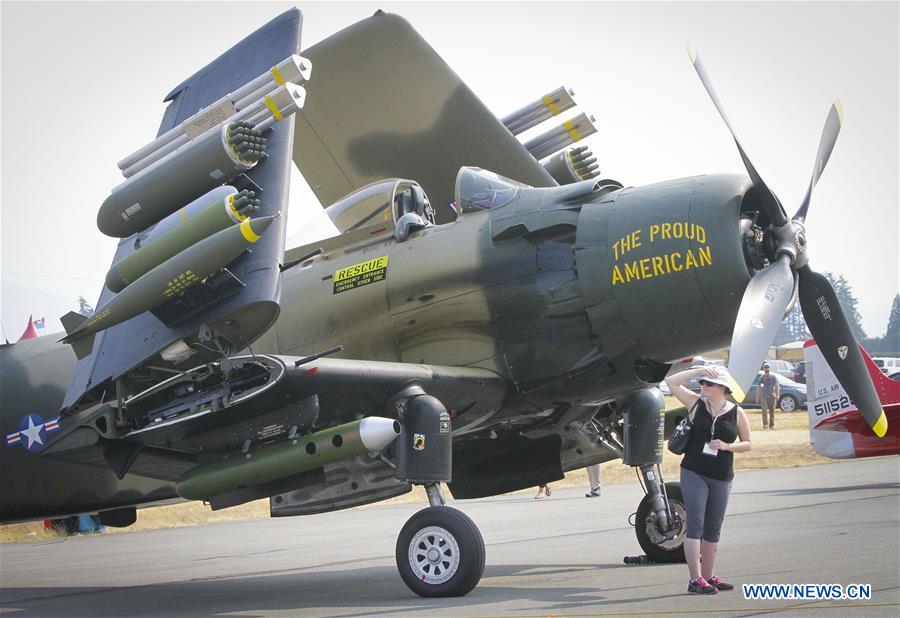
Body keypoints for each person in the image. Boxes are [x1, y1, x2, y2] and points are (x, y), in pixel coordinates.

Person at [666, 365, 752, 595]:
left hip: (722, 476)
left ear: (723, 388)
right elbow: (672, 382)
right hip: (694, 471)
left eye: (709, 384)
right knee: (695, 524)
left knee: (713, 527)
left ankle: (708, 576)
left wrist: (727, 446)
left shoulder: (737, 412)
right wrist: (699, 370)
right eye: (703, 383)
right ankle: (694, 579)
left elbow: (748, 443)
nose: (704, 386)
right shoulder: (696, 404)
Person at [757, 363, 780, 430]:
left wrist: (777, 394)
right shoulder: (762, 377)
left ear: (769, 368)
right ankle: (765, 425)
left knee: (772, 411)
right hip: (764, 396)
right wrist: (758, 395)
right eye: (765, 367)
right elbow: (758, 386)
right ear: (764, 368)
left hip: (772, 396)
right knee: (764, 410)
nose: (766, 368)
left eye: (767, 367)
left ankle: (772, 425)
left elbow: (777, 386)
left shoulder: (773, 376)